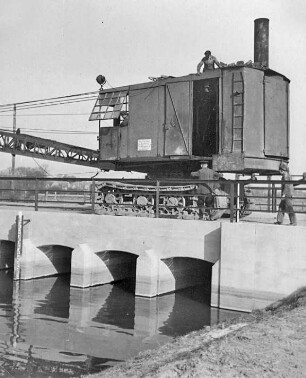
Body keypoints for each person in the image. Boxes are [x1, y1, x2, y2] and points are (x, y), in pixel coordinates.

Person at [275, 161, 297, 226]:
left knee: (289, 207)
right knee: (281, 207)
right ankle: (279, 220)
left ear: (283, 170)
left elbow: (287, 185)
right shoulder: (286, 175)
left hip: (287, 194)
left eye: (280, 170)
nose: (279, 171)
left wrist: (283, 194)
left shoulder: (286, 176)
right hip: (287, 193)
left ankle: (293, 222)